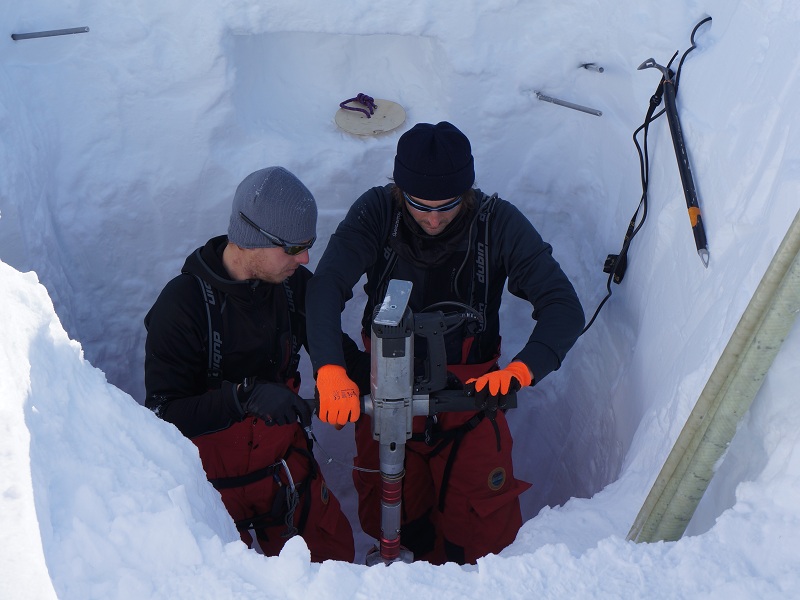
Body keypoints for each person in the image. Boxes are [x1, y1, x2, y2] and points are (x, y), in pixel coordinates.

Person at [306, 122, 585, 565]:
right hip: (385, 394)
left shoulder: (497, 223)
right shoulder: (376, 212)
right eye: (420, 205)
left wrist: (523, 368)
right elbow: (324, 287)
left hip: (470, 402)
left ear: (466, 193)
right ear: (400, 190)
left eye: (448, 206)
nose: (433, 219)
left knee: (483, 533)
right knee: (392, 515)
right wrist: (330, 368)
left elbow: (563, 306)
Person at [144, 166, 368, 562]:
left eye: (309, 245)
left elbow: (341, 355)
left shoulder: (293, 286)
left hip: (283, 473)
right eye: (293, 247)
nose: (305, 258)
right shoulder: (183, 305)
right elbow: (163, 413)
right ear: (252, 238)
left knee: (334, 570)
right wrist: (243, 398)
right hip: (209, 488)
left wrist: (404, 377)